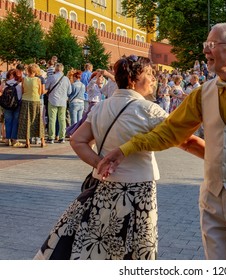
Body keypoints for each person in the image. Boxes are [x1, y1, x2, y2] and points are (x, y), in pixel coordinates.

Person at [97, 22, 226, 260]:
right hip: (212, 196)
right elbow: (169, 132)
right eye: (206, 44)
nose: (205, 51)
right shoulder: (201, 93)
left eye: (211, 45)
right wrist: (125, 149)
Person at [33, 55, 205, 260]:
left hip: (102, 187)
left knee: (98, 248)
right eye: (149, 74)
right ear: (132, 79)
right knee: (134, 249)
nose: (154, 79)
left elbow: (78, 140)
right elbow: (185, 141)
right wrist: (220, 157)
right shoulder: (148, 109)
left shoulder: (100, 107)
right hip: (137, 191)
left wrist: (100, 163)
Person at [17, 64, 46, 148]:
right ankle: (42, 141)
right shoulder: (38, 80)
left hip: (25, 101)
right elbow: (40, 92)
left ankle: (27, 142)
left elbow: (22, 90)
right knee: (38, 120)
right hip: (35, 101)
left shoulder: (24, 79)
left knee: (26, 121)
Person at [45, 63, 72, 144]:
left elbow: (46, 87)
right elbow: (69, 91)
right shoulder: (66, 79)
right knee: (62, 119)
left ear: (55, 69)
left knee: (52, 119)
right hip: (63, 101)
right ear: (62, 69)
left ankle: (51, 137)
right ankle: (62, 137)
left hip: (53, 100)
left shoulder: (51, 77)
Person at [0, 69, 23, 147]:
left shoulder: (4, 84)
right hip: (17, 105)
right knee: (15, 122)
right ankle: (14, 139)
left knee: (8, 121)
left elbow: (1, 92)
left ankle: (7, 139)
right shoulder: (20, 84)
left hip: (6, 106)